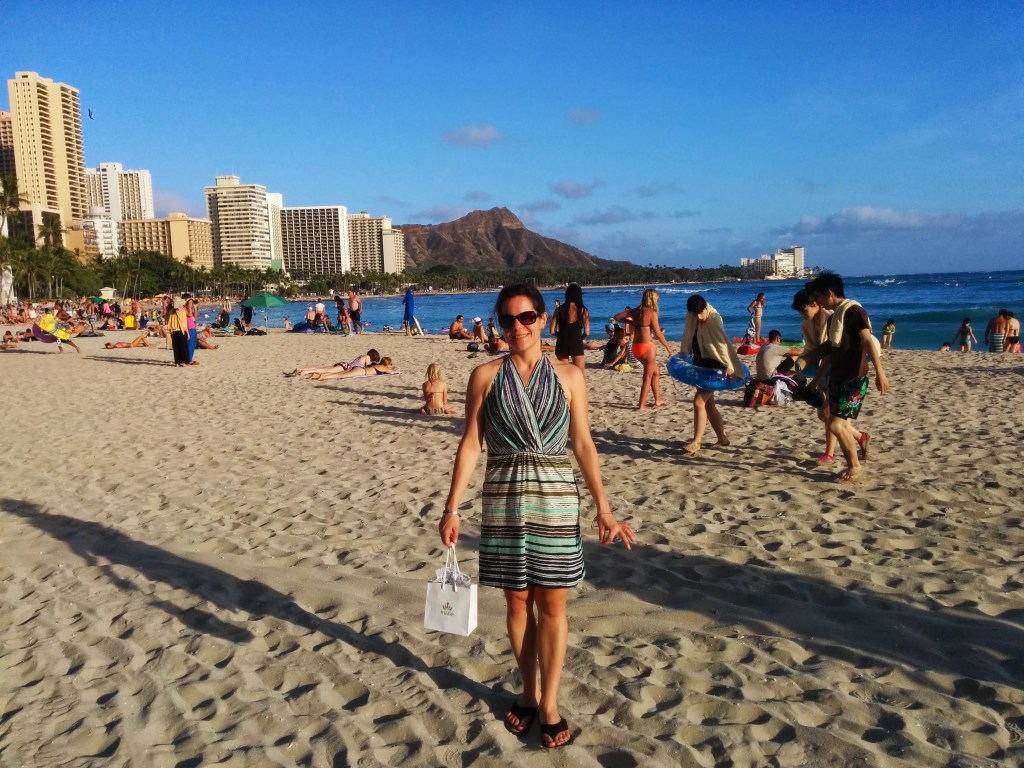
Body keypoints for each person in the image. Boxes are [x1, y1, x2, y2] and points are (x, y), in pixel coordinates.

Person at [439, 284, 633, 749]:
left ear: (544, 320)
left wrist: (603, 508)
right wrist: (451, 507)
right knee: (516, 603)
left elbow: (584, 444)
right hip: (503, 495)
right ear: (500, 326)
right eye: (508, 320)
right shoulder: (484, 376)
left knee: (553, 605)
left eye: (526, 318)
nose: (517, 328)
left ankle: (549, 701)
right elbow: (471, 444)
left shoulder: (570, 375)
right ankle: (527, 692)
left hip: (556, 497)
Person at [806, 271, 889, 482]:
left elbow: (868, 340)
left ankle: (854, 466)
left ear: (829, 293)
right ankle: (861, 442)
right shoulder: (835, 317)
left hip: (854, 376)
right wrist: (816, 380)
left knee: (836, 424)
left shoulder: (853, 311)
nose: (816, 302)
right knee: (832, 419)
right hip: (838, 376)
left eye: (817, 297)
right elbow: (832, 353)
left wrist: (880, 371)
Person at [679, 295, 743, 454]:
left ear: (706, 308)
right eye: (694, 315)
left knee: (698, 402)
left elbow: (721, 343)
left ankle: (696, 441)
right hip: (701, 363)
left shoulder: (714, 319)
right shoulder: (692, 316)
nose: (698, 318)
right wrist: (684, 353)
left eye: (700, 313)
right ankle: (722, 438)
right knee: (709, 404)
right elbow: (688, 334)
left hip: (717, 365)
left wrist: (729, 365)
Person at [615, 289, 674, 409]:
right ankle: (641, 404)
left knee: (656, 371)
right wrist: (668, 348)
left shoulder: (635, 311)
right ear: (652, 299)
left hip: (636, 347)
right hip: (647, 348)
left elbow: (616, 317)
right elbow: (658, 333)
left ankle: (658, 399)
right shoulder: (651, 312)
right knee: (647, 376)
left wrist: (630, 322)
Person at [548, 284, 590, 375]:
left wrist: (560, 335)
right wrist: (580, 338)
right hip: (576, 342)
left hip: (562, 342)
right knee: (580, 372)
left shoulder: (559, 310)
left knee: (564, 373)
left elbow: (551, 330)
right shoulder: (583, 310)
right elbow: (587, 332)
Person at [284, 349, 381, 379]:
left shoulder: (362, 356)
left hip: (345, 365)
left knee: (323, 368)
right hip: (345, 367)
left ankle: (301, 369)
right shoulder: (367, 357)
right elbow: (367, 366)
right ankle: (304, 372)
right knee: (325, 370)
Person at [167, 297, 190, 367]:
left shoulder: (171, 311)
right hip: (181, 330)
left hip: (174, 331)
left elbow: (169, 322)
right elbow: (184, 323)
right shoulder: (182, 311)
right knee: (183, 347)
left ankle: (177, 362)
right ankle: (183, 362)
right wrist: (188, 333)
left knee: (176, 348)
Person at [322, 357, 398, 379]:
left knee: (339, 373)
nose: (391, 365)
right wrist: (394, 370)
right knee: (340, 375)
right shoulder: (383, 367)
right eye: (391, 364)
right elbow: (393, 372)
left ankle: (319, 375)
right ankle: (323, 377)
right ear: (387, 364)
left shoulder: (378, 365)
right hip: (362, 371)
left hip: (359, 368)